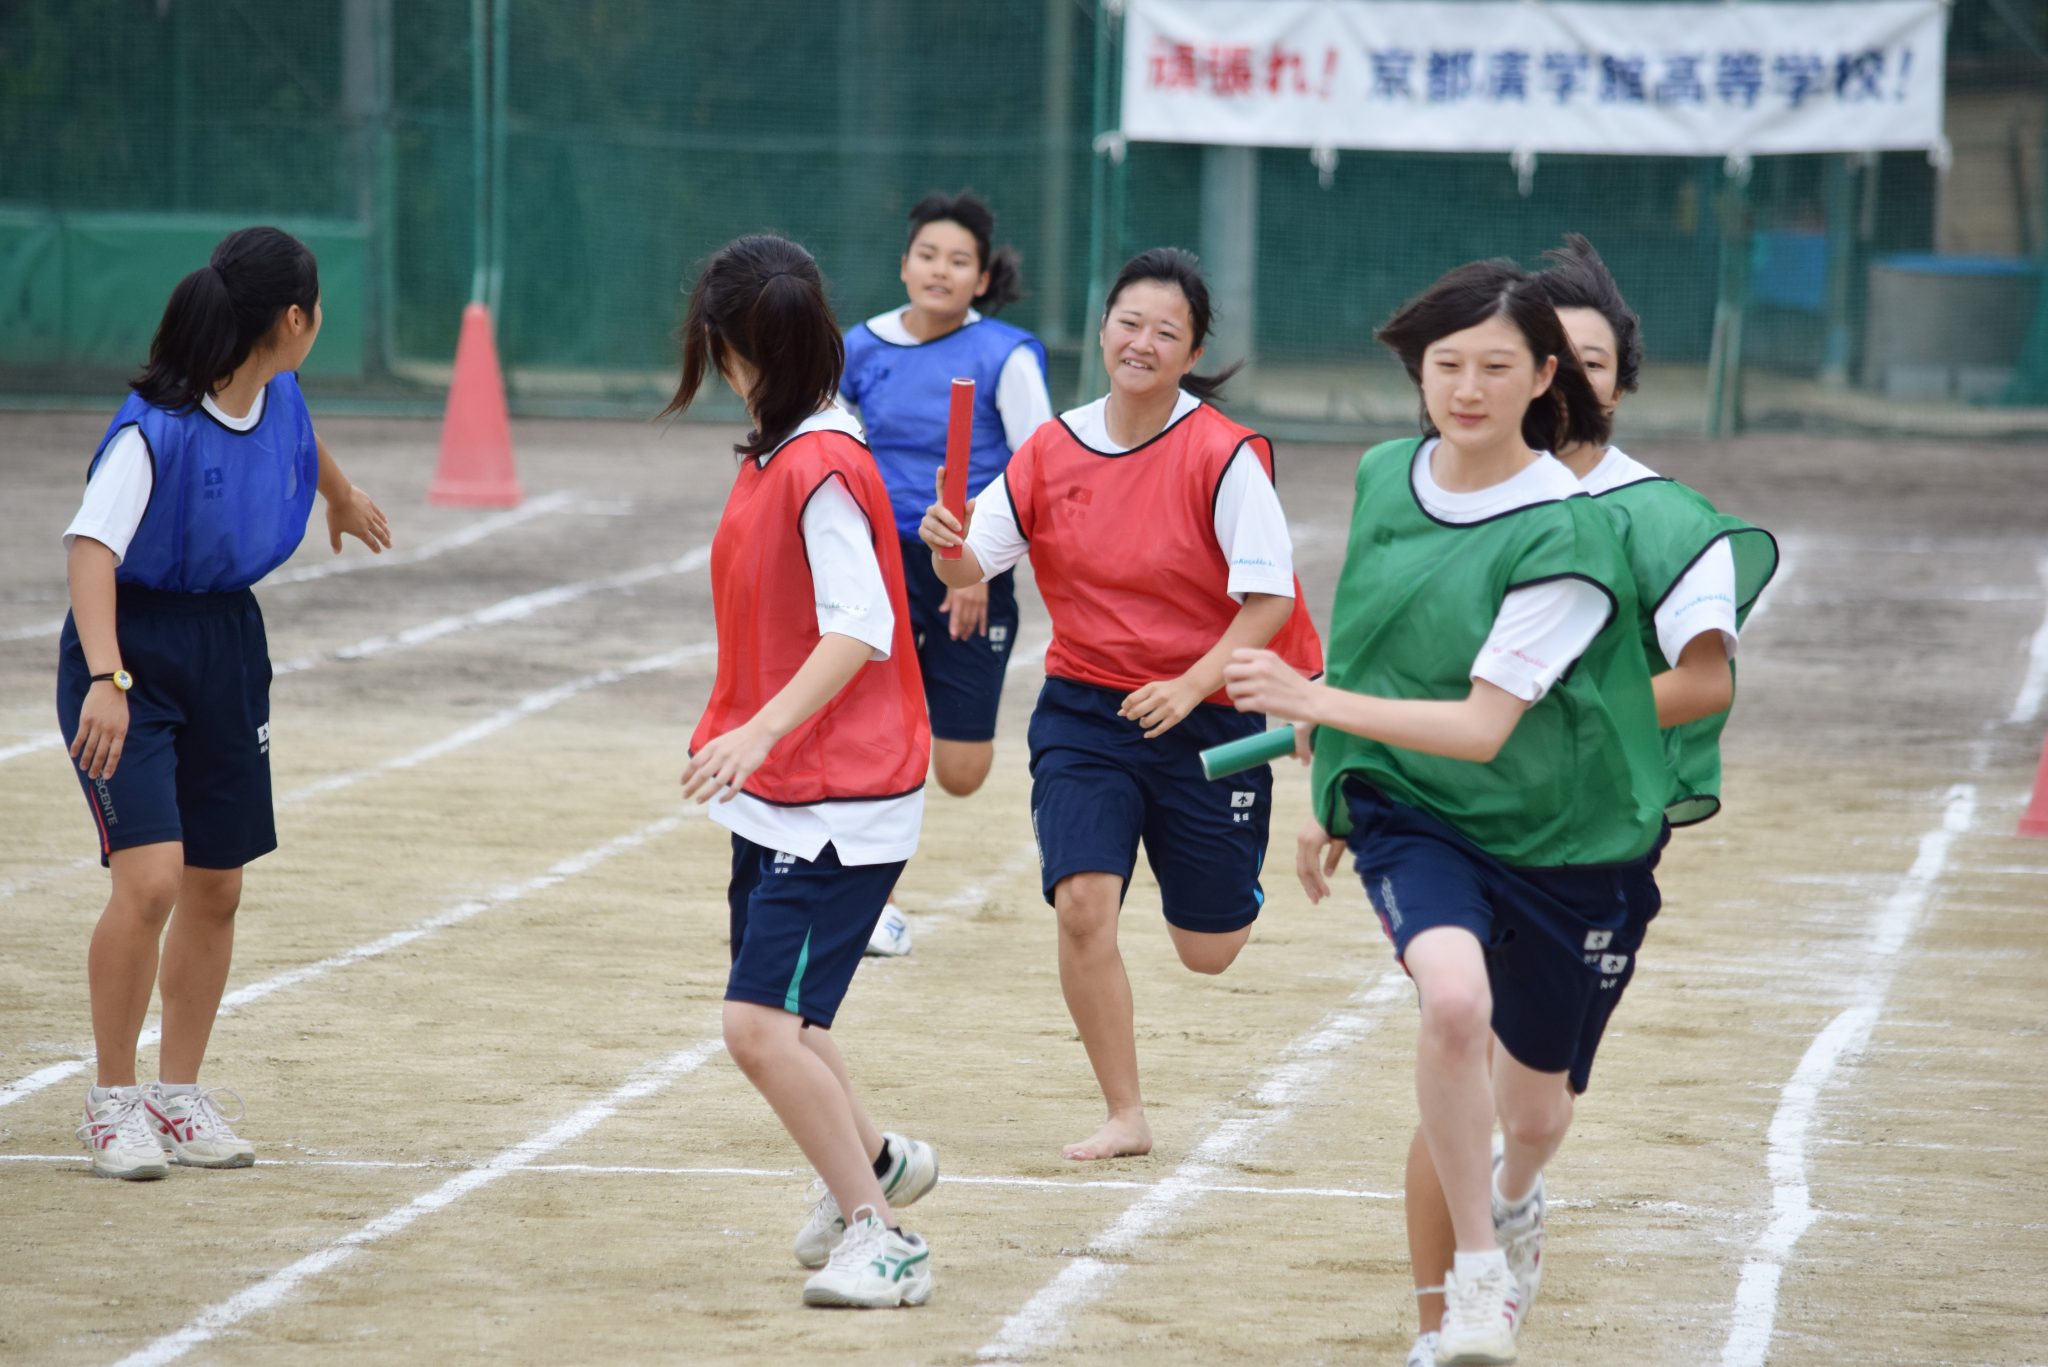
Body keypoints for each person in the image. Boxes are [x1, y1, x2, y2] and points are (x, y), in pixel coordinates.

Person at [1222, 259, 1666, 1366]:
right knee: (1451, 1002)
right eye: (1444, 365)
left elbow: (1479, 726)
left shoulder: (1567, 530)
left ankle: (1513, 1195)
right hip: (1412, 808)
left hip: (1558, 833)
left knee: (1537, 1116)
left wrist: (1308, 699)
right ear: (1417, 371)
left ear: (1542, 377)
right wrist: (1330, 778)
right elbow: (1373, 646)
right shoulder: (1383, 474)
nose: (1465, 388)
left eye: (1494, 367)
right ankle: (1474, 1277)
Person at [1390, 236, 1778, 1367]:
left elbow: (1703, 678)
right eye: (1541, 351)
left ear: (1608, 377)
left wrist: (1555, 716)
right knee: (1450, 1027)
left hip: (1594, 835)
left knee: (1537, 1106)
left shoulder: (1661, 518)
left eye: (1588, 356)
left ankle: (1515, 1191)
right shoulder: (1440, 489)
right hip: (1455, 816)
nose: (1563, 372)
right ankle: (1442, 1314)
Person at [920, 247, 1323, 1162]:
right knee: (1083, 906)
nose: (1142, 342)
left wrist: (1192, 685)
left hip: (1206, 715)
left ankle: (1231, 858)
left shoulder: (1222, 455)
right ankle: (1125, 1113)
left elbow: (1271, 601)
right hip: (1086, 714)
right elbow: (970, 564)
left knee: (1208, 948)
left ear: (1191, 351)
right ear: (1103, 329)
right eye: (1128, 322)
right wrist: (945, 545)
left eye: (1166, 331)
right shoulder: (1051, 447)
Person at [60, 225, 392, 1181]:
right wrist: (107, 679)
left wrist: (339, 491)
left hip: (226, 646)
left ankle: (179, 1096)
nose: (318, 323)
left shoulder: (277, 391)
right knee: (151, 880)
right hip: (132, 646)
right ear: (294, 319)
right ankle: (113, 1102)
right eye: (318, 308)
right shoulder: (154, 427)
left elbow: (299, 431)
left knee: (218, 883)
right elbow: (91, 552)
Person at [666, 233, 937, 1308]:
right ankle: (868, 1164)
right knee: (796, 1022)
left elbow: (859, 628)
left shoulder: (823, 464)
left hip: (839, 799)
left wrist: (757, 730)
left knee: (757, 1027)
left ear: (734, 350)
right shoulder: (785, 451)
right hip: (788, 796)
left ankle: (885, 1233)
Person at [840, 191, 1053, 957]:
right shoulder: (855, 348)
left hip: (970, 564)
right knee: (879, 733)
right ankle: (875, 899)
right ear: (903, 266)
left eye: (958, 260)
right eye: (927, 255)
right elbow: (831, 453)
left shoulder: (1008, 354)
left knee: (960, 768)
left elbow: (1037, 471)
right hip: (876, 564)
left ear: (983, 278)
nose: (940, 270)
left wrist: (976, 565)